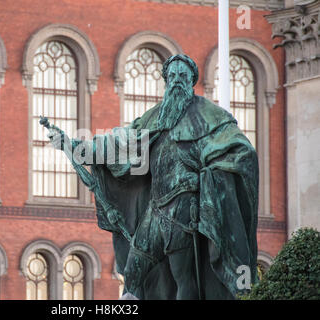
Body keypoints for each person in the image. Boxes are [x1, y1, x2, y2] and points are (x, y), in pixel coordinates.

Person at [46, 54, 259, 300]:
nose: (177, 80)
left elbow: (242, 150)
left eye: (183, 76)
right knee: (133, 274)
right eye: (172, 76)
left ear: (192, 80)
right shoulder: (154, 118)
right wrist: (72, 145)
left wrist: (211, 173)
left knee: (184, 279)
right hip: (155, 211)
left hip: (183, 210)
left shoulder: (211, 117)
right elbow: (116, 145)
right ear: (166, 81)